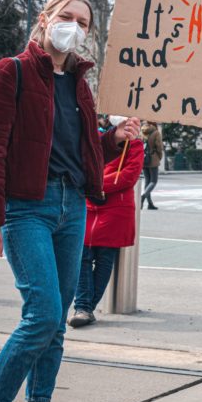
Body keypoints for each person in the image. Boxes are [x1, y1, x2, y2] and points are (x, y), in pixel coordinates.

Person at [0, 0, 140, 402]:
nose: (75, 28)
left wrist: (111, 140)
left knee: (58, 323)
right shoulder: (10, 72)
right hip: (26, 208)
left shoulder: (80, 86)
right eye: (68, 17)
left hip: (73, 206)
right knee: (42, 315)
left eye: (83, 23)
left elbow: (79, 150)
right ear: (45, 18)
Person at [69, 117, 143, 328]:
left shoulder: (135, 144)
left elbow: (130, 175)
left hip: (114, 207)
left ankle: (84, 307)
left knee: (103, 258)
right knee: (82, 255)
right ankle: (84, 307)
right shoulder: (97, 139)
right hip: (90, 203)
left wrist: (98, 184)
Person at [140, 121, 163, 210]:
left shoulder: (142, 131)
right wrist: (159, 157)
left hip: (144, 158)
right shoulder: (155, 132)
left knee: (147, 181)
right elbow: (159, 147)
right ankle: (143, 196)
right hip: (153, 158)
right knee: (153, 181)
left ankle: (150, 204)